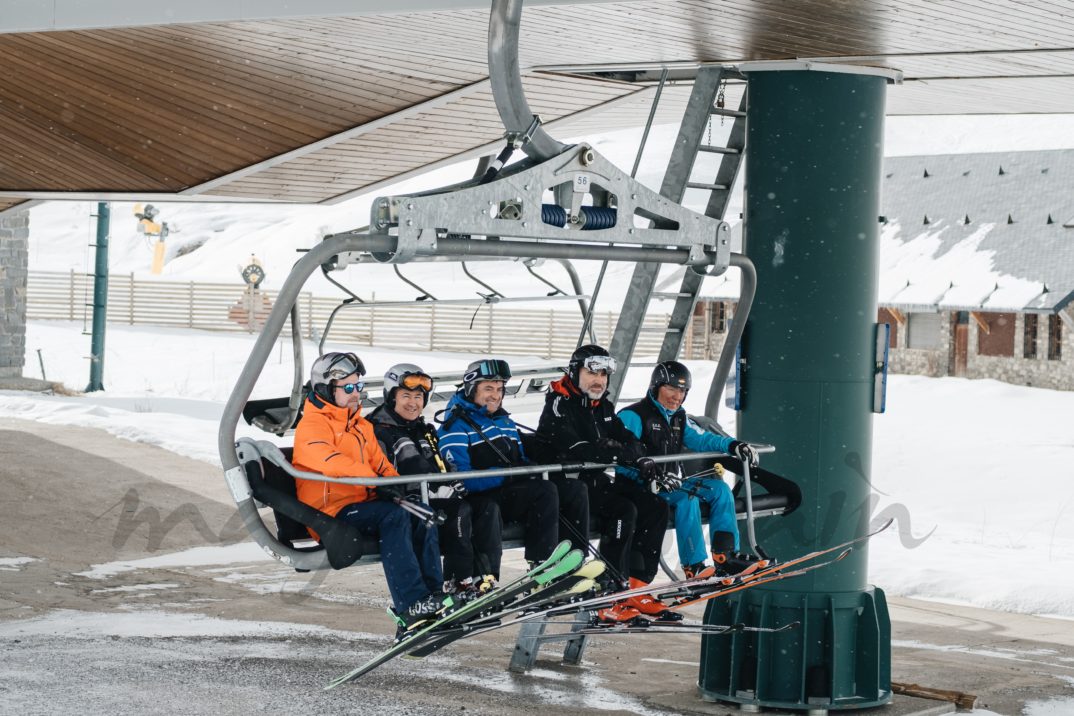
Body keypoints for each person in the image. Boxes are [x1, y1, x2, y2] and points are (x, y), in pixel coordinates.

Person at [292, 351, 447, 636]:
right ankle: (411, 605)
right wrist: (376, 481)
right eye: (348, 388)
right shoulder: (312, 425)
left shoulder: (360, 425)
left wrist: (393, 484)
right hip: (329, 512)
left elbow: (382, 464)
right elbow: (329, 460)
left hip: (364, 505)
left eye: (359, 386)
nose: (355, 394)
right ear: (326, 390)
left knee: (421, 514)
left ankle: (433, 597)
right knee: (394, 517)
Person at [536, 344, 678, 622]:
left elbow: (630, 441)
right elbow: (581, 449)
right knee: (623, 510)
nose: (599, 380)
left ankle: (636, 587)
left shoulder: (603, 407)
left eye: (603, 375)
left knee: (654, 506)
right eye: (592, 373)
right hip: (563, 487)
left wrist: (626, 452)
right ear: (574, 372)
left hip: (592, 482)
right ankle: (608, 589)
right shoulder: (558, 404)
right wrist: (616, 451)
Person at [437, 358, 589, 577]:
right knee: (544, 491)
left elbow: (523, 459)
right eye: (488, 388)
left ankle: (574, 560)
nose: (495, 395)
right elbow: (462, 480)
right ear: (471, 389)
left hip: (514, 492)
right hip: (485, 496)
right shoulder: (455, 426)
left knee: (574, 489)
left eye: (499, 389)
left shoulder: (503, 420)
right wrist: (507, 476)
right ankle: (542, 563)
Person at [366, 362, 498, 598]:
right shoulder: (378, 430)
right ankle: (459, 581)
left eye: (418, 397)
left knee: (486, 507)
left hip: (436, 496)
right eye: (406, 395)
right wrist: (435, 488)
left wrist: (451, 477)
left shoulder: (422, 429)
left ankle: (485, 578)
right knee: (459, 510)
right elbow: (387, 474)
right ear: (390, 397)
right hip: (409, 501)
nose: (413, 403)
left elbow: (437, 463)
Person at [618, 360, 761, 578]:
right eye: (672, 388)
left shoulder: (678, 417)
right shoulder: (633, 415)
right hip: (643, 486)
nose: (677, 396)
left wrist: (732, 445)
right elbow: (622, 457)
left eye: (683, 390)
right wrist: (648, 475)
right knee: (688, 498)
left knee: (720, 490)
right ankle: (693, 565)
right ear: (656, 387)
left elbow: (703, 439)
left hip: (673, 482)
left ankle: (725, 554)